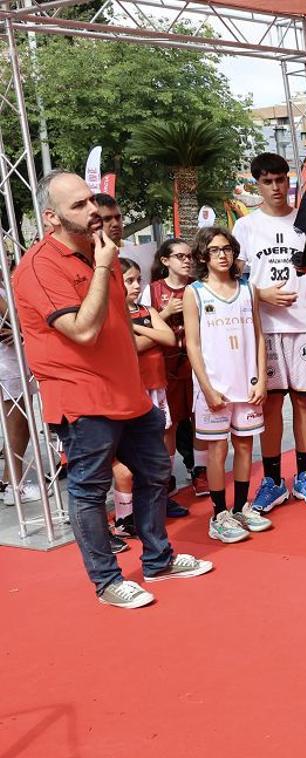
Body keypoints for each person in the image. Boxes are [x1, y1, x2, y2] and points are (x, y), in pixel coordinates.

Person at [13, 170, 212, 608]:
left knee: (156, 472)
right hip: (81, 396)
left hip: (129, 391)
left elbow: (117, 326)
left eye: (91, 201)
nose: (93, 211)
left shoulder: (98, 252)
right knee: (89, 488)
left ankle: (158, 560)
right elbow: (82, 332)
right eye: (79, 206)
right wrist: (105, 266)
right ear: (51, 218)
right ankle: (106, 582)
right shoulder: (39, 268)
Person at [233, 152, 306, 513]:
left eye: (280, 180)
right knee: (270, 404)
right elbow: (229, 280)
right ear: (257, 185)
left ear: (289, 180)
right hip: (265, 329)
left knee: (304, 400)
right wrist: (260, 294)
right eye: (267, 182)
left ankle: (305, 473)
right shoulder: (246, 227)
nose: (275, 187)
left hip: (304, 323)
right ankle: (273, 479)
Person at [184, 226, 271, 542]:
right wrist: (206, 388)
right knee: (218, 449)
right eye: (215, 250)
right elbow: (192, 345)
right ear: (203, 256)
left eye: (227, 249)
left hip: (246, 383)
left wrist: (262, 378)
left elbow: (259, 335)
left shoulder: (248, 289)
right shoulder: (194, 292)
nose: (222, 255)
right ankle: (219, 514)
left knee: (245, 446)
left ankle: (242, 508)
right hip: (214, 387)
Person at [110, 259, 182, 541]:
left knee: (162, 446)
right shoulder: (114, 314)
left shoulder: (144, 310)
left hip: (157, 386)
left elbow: (168, 339)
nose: (136, 285)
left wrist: (139, 328)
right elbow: (132, 346)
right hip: (133, 391)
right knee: (128, 462)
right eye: (129, 280)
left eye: (138, 279)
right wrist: (149, 333)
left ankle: (160, 499)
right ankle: (126, 518)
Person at [141, 238, 207, 504]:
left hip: (196, 361)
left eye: (190, 256)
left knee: (200, 417)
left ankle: (200, 471)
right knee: (170, 423)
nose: (187, 260)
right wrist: (166, 312)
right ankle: (166, 476)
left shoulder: (200, 288)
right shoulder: (152, 290)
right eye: (180, 256)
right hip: (166, 364)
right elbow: (143, 322)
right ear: (165, 261)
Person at [0, 285, 37, 507]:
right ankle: (14, 485)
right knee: (18, 424)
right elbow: (11, 316)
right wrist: (21, 326)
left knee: (19, 424)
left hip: (15, 361)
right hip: (9, 364)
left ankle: (11, 482)